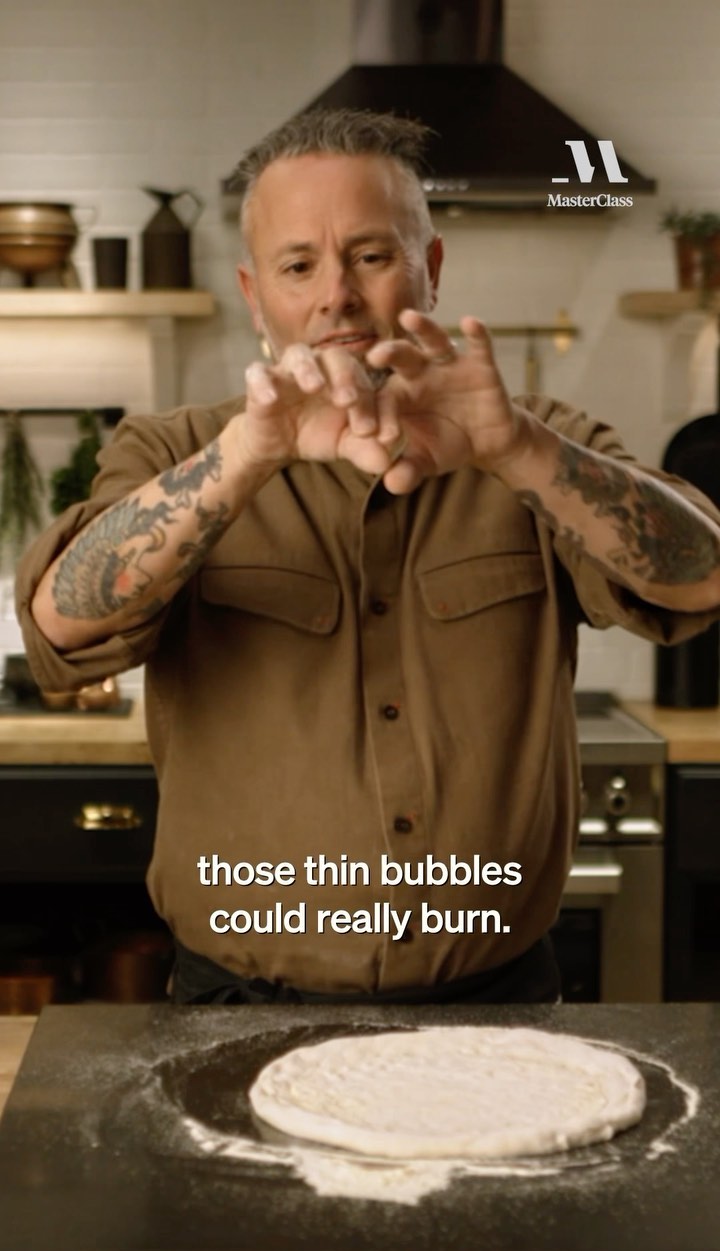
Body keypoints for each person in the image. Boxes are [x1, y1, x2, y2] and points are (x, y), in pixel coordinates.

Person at [16, 108, 720, 1005]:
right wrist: (250, 454)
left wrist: (517, 449)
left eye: (371, 255)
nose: (336, 296)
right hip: (236, 1007)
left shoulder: (540, 442)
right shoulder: (174, 451)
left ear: (430, 268)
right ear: (254, 295)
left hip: (496, 1005)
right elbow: (60, 623)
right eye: (298, 266)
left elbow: (702, 574)